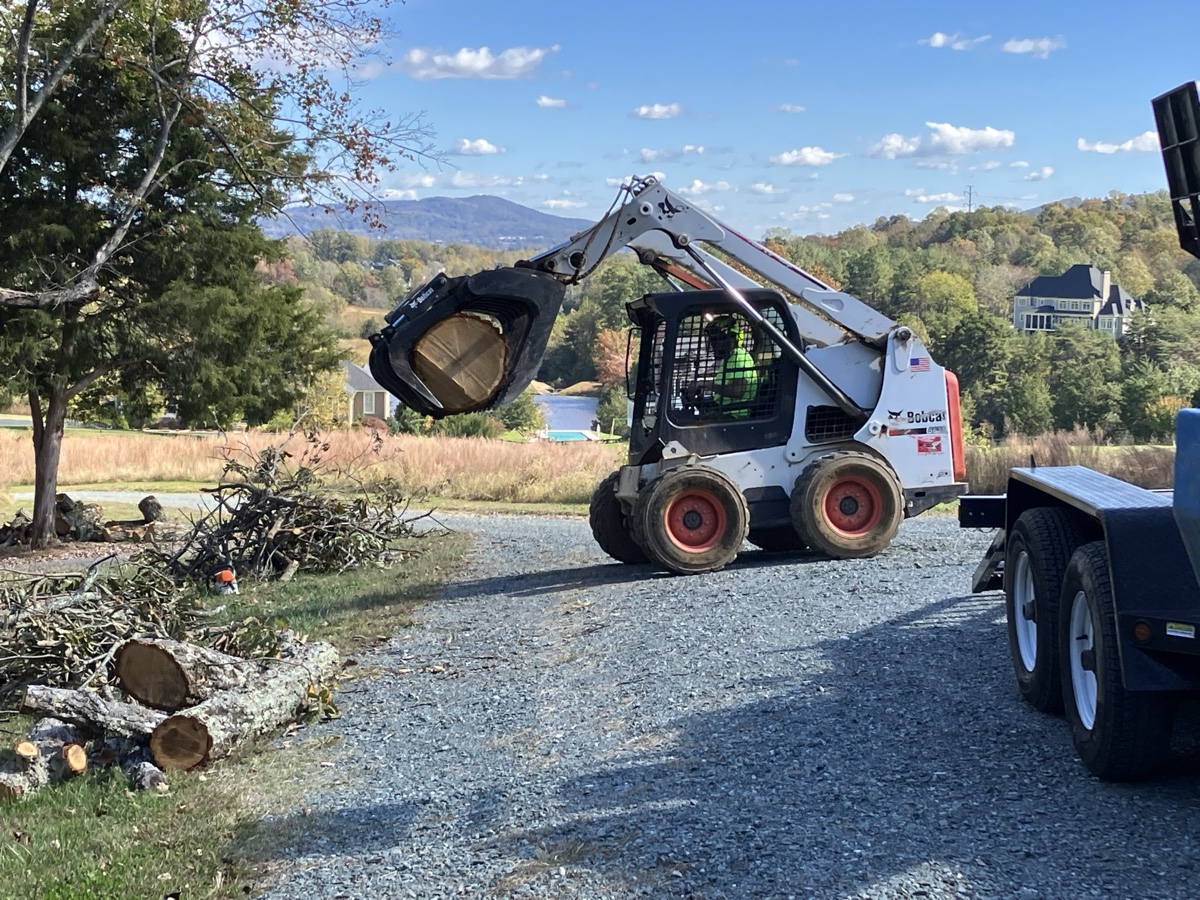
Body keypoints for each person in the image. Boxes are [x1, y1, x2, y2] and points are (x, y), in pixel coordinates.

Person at [683, 315, 760, 418]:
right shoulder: (727, 359)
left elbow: (736, 391)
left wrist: (705, 384)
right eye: (712, 340)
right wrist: (697, 401)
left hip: (734, 416)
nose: (713, 345)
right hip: (723, 410)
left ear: (731, 339)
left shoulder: (740, 358)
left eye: (716, 340)